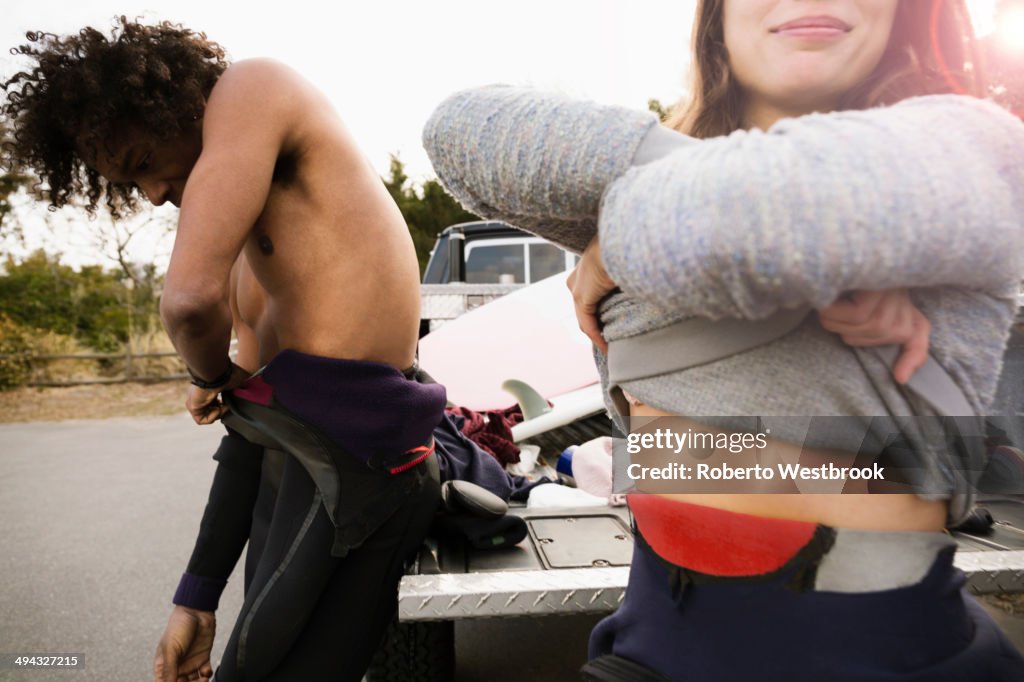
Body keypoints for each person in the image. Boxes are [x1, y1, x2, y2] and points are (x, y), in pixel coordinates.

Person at [422, 0, 1024, 679]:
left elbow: (743, 217)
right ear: (718, 17)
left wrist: (619, 234)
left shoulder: (976, 149)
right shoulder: (653, 195)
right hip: (649, 651)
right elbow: (460, 133)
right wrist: (676, 203)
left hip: (885, 657)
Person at [2, 19, 446, 681]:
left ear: (177, 107)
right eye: (128, 184)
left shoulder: (253, 84)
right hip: (302, 468)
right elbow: (252, 433)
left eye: (145, 163)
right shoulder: (252, 260)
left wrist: (208, 372)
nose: (152, 195)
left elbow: (185, 303)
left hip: (362, 469)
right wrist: (196, 597)